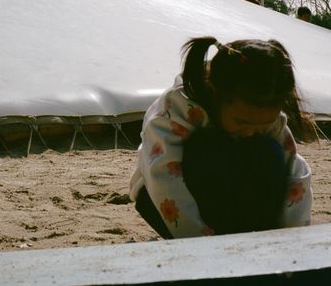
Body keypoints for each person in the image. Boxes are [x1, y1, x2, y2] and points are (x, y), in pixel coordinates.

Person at [130, 36, 313, 238]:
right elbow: (163, 178)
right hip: (167, 201)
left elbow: (294, 173)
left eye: (262, 125)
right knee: (210, 146)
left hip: (234, 200)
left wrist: (293, 239)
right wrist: (202, 244)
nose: (251, 131)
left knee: (269, 150)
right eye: (242, 122)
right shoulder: (175, 110)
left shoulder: (266, 117)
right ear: (215, 91)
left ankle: (253, 235)